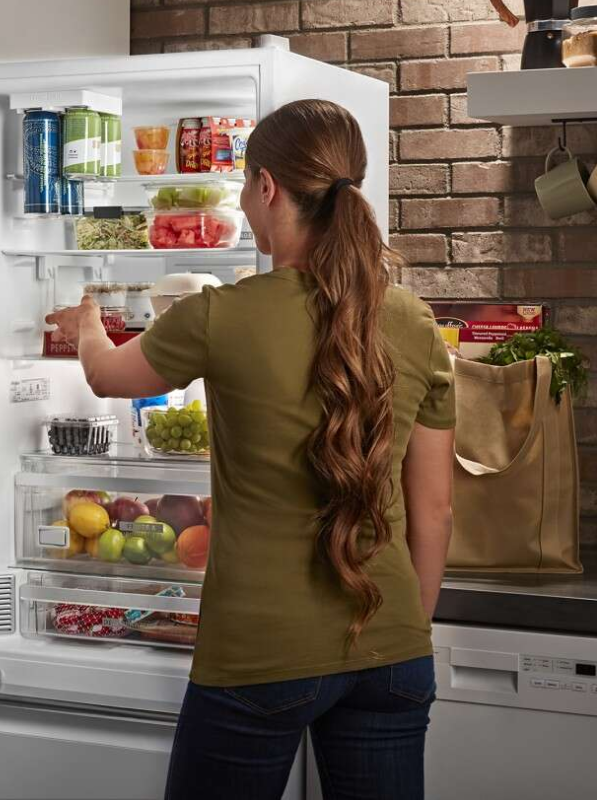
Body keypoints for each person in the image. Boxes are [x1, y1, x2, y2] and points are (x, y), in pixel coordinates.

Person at [46, 98, 455, 800]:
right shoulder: (414, 320)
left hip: (259, 655)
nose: (242, 200)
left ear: (267, 188)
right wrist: (402, 633)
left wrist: (87, 320)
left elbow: (106, 374)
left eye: (243, 185)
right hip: (391, 649)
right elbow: (437, 509)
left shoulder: (220, 314)